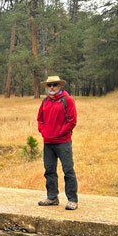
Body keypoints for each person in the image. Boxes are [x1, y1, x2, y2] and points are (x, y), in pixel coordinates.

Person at [36, 75, 78, 210]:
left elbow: (72, 121)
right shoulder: (45, 102)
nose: (52, 87)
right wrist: (43, 131)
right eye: (49, 85)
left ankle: (72, 200)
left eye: (54, 84)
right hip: (48, 142)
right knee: (49, 171)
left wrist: (60, 133)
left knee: (68, 170)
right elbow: (39, 119)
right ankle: (52, 197)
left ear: (60, 86)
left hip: (63, 142)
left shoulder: (68, 100)